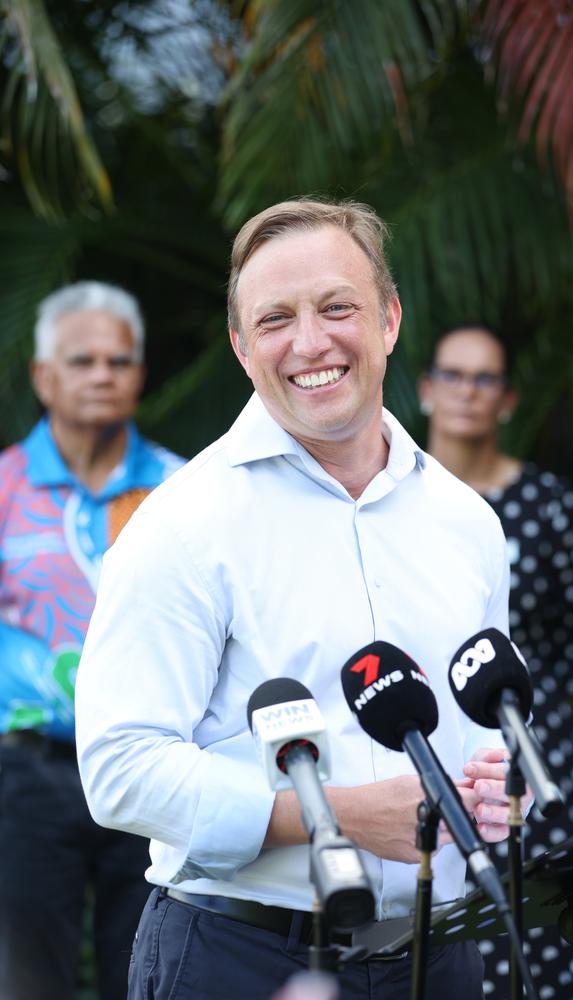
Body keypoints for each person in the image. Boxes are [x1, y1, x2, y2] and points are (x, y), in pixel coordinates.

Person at [75, 199, 532, 1000]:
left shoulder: (469, 523)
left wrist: (493, 789)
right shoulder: (181, 525)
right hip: (242, 958)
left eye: (337, 307)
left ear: (389, 319)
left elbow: (468, 732)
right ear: (241, 347)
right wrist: (341, 815)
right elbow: (121, 770)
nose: (310, 343)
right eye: (276, 318)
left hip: (442, 957)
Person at [0, 281, 184, 1000]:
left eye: (119, 360)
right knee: (24, 980)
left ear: (139, 374)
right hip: (26, 775)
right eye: (83, 361)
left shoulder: (182, 489)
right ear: (44, 376)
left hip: (152, 765)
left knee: (146, 971)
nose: (103, 374)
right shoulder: (5, 487)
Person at [418, 324, 573, 999]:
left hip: (537, 754)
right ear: (424, 389)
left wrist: (538, 730)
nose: (467, 392)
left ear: (507, 398)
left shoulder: (547, 504)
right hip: (426, 748)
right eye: (453, 374)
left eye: (486, 378)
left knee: (553, 937)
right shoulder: (393, 501)